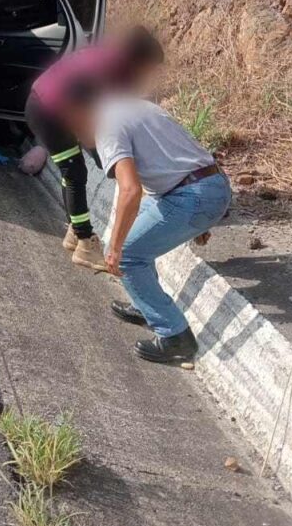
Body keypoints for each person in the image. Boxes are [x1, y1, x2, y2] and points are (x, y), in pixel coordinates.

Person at [96, 96, 232, 364]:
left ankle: (175, 336)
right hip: (212, 184)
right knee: (136, 239)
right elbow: (174, 159)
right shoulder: (135, 107)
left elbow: (130, 190)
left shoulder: (106, 126)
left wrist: (115, 246)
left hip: (192, 196)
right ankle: (145, 305)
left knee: (128, 254)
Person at [25, 27, 164, 271]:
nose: (150, 75)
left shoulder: (112, 62)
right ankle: (84, 244)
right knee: (74, 171)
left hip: (53, 106)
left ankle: (74, 231)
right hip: (48, 110)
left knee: (86, 167)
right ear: (139, 61)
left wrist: (106, 151)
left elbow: (114, 114)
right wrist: (91, 140)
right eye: (150, 69)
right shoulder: (110, 69)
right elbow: (74, 104)